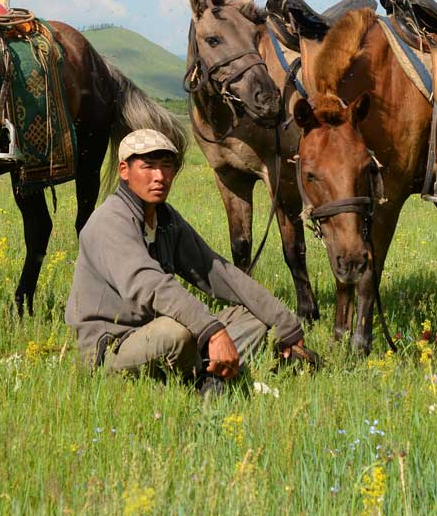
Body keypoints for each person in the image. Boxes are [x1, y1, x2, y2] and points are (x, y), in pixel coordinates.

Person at [65, 128, 319, 394]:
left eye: (167, 167)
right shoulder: (110, 222)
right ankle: (207, 380)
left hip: (156, 330)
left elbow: (218, 272)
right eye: (148, 167)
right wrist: (213, 331)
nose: (160, 177)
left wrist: (284, 323)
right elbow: (150, 286)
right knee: (176, 334)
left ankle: (209, 378)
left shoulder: (165, 219)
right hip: (114, 346)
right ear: (124, 170)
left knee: (252, 317)